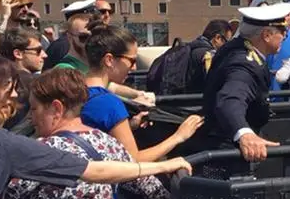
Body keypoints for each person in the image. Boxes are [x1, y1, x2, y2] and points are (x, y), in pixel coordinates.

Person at [4, 68, 171, 198]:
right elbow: (153, 189)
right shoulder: (109, 143)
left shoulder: (42, 151)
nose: (31, 118)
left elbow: (9, 193)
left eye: (34, 109)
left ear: (56, 108)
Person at [82, 23, 204, 162]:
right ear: (109, 60)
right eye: (131, 60)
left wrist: (129, 127)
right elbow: (134, 160)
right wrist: (178, 137)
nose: (134, 68)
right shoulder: (109, 103)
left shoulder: (77, 90)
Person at [202, 3, 290, 162]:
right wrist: (244, 133)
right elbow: (230, 99)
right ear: (266, 35)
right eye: (283, 31)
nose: (286, 36)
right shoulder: (244, 64)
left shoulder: (235, 48)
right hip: (228, 151)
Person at [44, 0, 99, 71]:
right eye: (83, 37)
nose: (91, 41)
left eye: (96, 35)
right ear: (69, 37)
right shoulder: (65, 70)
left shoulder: (100, 65)